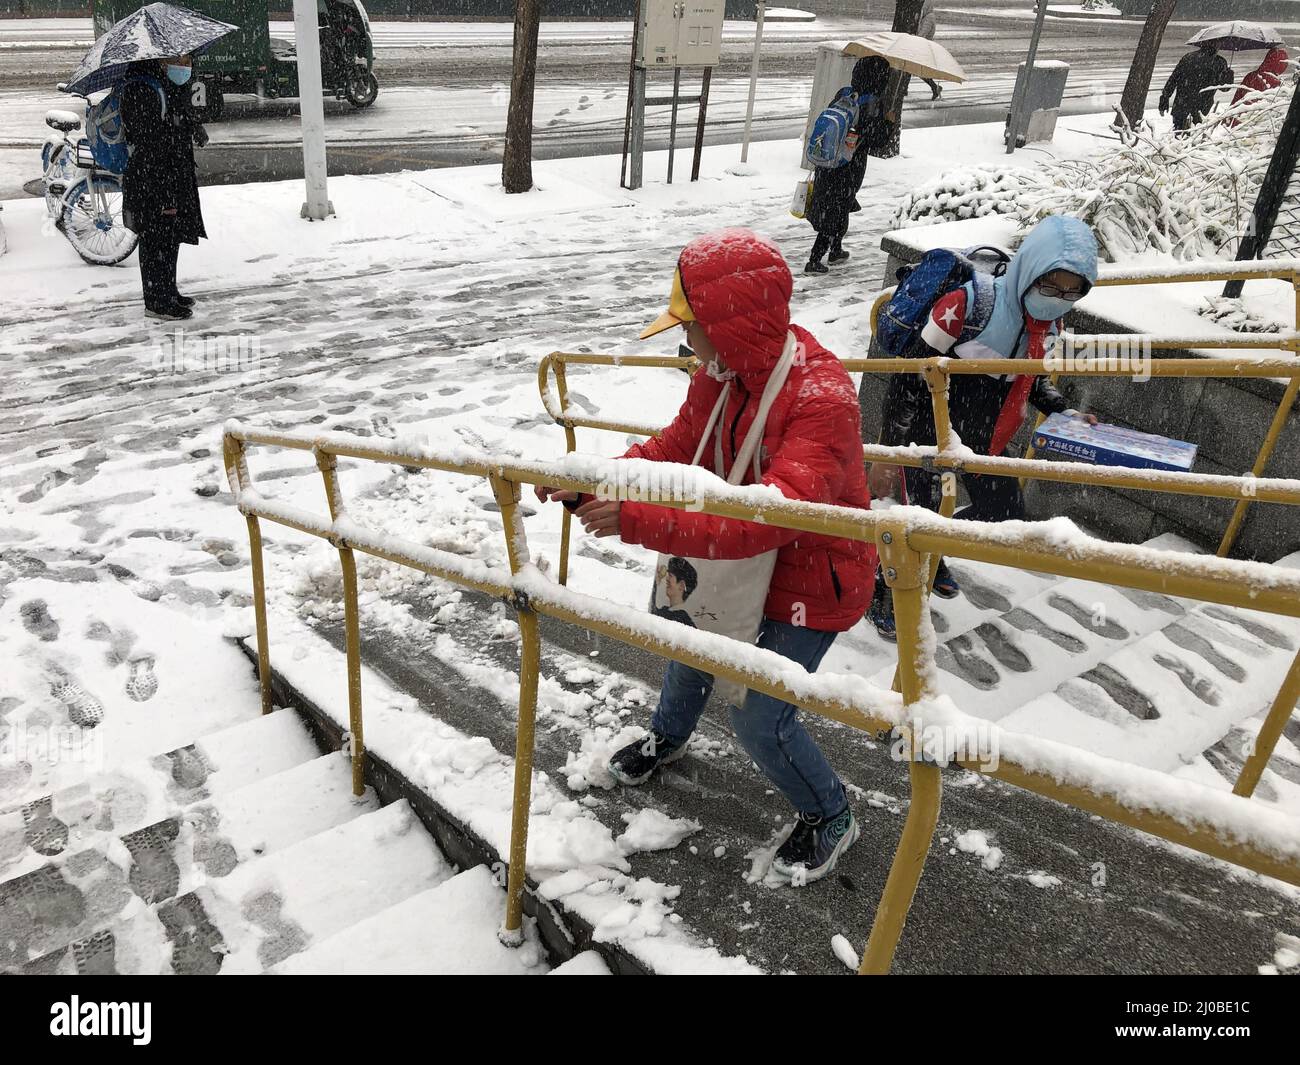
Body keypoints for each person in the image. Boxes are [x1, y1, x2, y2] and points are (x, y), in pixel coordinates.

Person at [536, 228, 876, 885]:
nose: (683, 343)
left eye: (690, 328)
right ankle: (671, 734)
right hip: (727, 563)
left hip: (812, 581)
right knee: (684, 636)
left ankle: (830, 811)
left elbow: (769, 517)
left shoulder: (822, 399)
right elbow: (673, 446)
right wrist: (595, 477)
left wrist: (634, 518)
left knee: (758, 713)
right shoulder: (726, 372)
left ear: (728, 326)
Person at [866, 215, 1100, 639]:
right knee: (917, 525)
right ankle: (883, 592)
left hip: (986, 440)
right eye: (1050, 286)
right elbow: (907, 377)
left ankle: (935, 549)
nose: (1059, 298)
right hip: (930, 436)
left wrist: (1063, 412)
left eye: (1073, 290)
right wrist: (888, 451)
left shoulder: (1050, 323)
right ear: (1031, 272)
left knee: (1004, 512)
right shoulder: (967, 304)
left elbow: (1033, 376)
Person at [120, 53, 209, 321]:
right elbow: (147, 138)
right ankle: (156, 301)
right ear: (160, 61)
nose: (184, 67)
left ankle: (168, 290)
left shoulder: (165, 85)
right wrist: (175, 127)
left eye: (188, 61)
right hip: (152, 178)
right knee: (155, 239)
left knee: (170, 236)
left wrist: (191, 125)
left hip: (170, 174)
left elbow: (175, 118)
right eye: (178, 61)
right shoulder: (141, 87)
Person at [804, 56, 894, 276]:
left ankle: (835, 250)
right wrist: (889, 123)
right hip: (849, 165)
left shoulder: (844, 93)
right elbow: (876, 140)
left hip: (828, 161)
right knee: (837, 210)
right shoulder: (874, 102)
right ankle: (814, 261)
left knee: (837, 205)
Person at [1159, 43, 1232, 133]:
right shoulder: (1220, 62)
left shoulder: (1188, 58)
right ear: (1217, 46)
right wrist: (1229, 75)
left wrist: (1165, 97)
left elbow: (1173, 79)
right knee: (1195, 136)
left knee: (1178, 136)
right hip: (1202, 108)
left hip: (1181, 105)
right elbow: (1224, 88)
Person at [1228, 47, 1289, 125]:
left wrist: (1228, 118)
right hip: (1258, 125)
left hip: (1236, 120)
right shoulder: (1278, 85)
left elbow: (1236, 100)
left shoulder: (1250, 76)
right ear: (1282, 65)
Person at [652, 557, 698, 627]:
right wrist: (656, 582)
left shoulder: (683, 619)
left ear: (681, 585)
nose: (666, 578)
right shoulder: (666, 610)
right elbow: (653, 613)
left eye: (670, 576)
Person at [915, 0, 943, 101]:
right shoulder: (926, 17)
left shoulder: (929, 18)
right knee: (916, 70)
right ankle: (934, 87)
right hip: (922, 47)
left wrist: (914, 37)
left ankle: (934, 87)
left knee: (918, 70)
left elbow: (923, 33)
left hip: (923, 48)